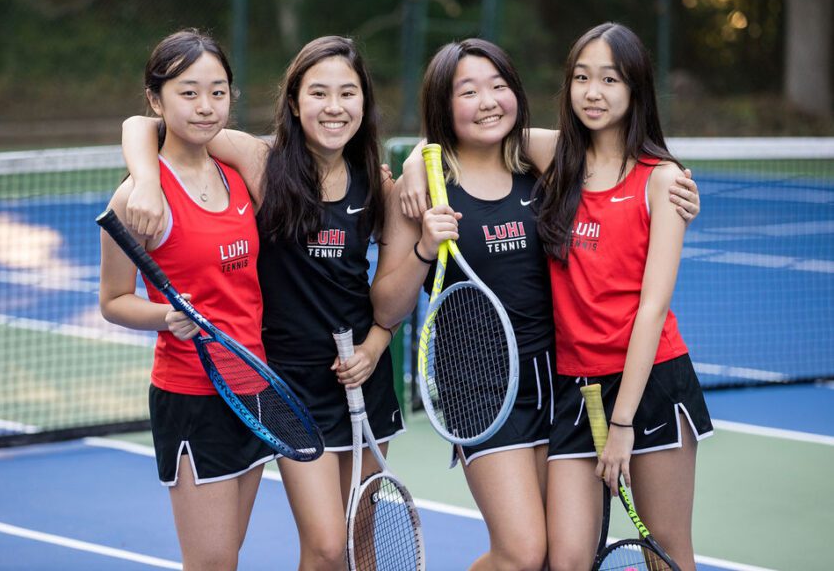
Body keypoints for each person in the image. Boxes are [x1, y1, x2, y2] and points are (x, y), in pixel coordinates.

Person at [380, 35, 702, 570]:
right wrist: (419, 178)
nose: (487, 102)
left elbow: (624, 163)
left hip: (573, 383)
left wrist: (675, 187)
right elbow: (387, 308)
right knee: (526, 552)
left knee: (572, 557)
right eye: (468, 91)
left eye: (498, 86)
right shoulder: (429, 190)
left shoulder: (550, 163)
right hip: (492, 388)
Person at [121, 35, 404, 570]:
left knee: (355, 544)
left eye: (348, 93)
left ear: (365, 102)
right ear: (293, 101)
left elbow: (394, 290)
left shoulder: (377, 183)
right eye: (318, 92)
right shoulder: (261, 161)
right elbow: (146, 124)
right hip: (283, 382)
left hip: (361, 375)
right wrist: (145, 180)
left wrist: (377, 342)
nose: (334, 107)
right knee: (326, 546)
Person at [538, 23, 712, 571]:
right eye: (581, 78)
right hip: (575, 387)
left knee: (666, 552)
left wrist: (622, 424)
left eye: (610, 80)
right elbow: (465, 133)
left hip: (651, 382)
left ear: (635, 88)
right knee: (567, 557)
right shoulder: (553, 156)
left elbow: (652, 308)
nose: (593, 93)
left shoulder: (663, 180)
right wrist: (416, 165)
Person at [98, 29, 273, 570]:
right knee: (212, 563)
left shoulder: (240, 173)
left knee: (229, 556)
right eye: (189, 92)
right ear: (157, 100)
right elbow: (113, 300)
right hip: (193, 395)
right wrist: (166, 316)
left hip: (255, 385)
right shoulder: (135, 199)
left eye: (218, 92)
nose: (205, 106)